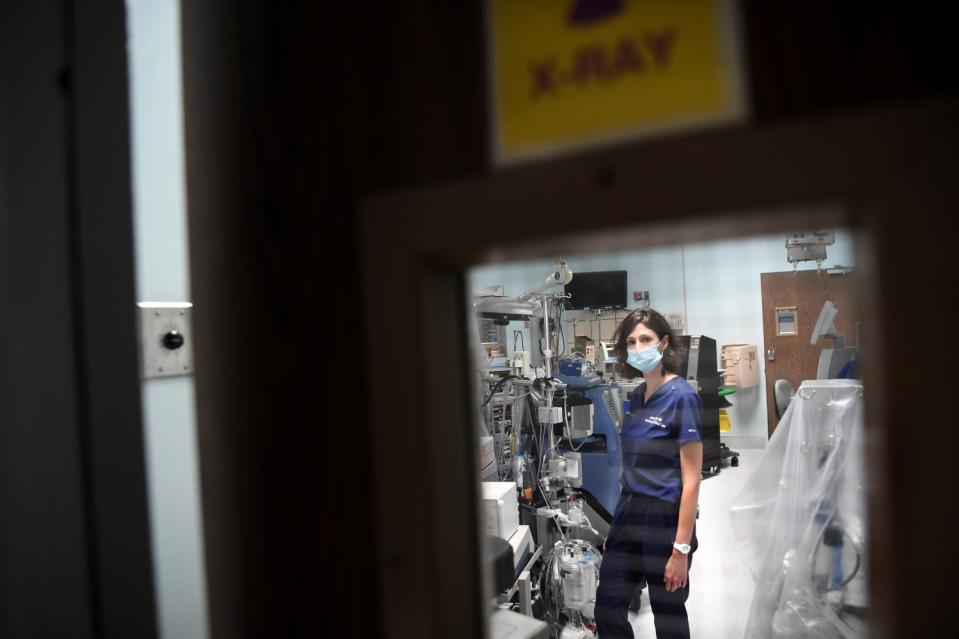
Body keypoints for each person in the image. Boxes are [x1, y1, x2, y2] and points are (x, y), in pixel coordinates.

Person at [595, 308, 703, 638]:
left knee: (668, 615)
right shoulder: (637, 397)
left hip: (665, 520)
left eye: (646, 339)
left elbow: (692, 480)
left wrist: (680, 550)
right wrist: (615, 531)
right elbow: (632, 468)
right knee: (608, 608)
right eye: (631, 342)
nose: (638, 347)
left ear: (664, 343)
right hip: (629, 515)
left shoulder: (682, 397)